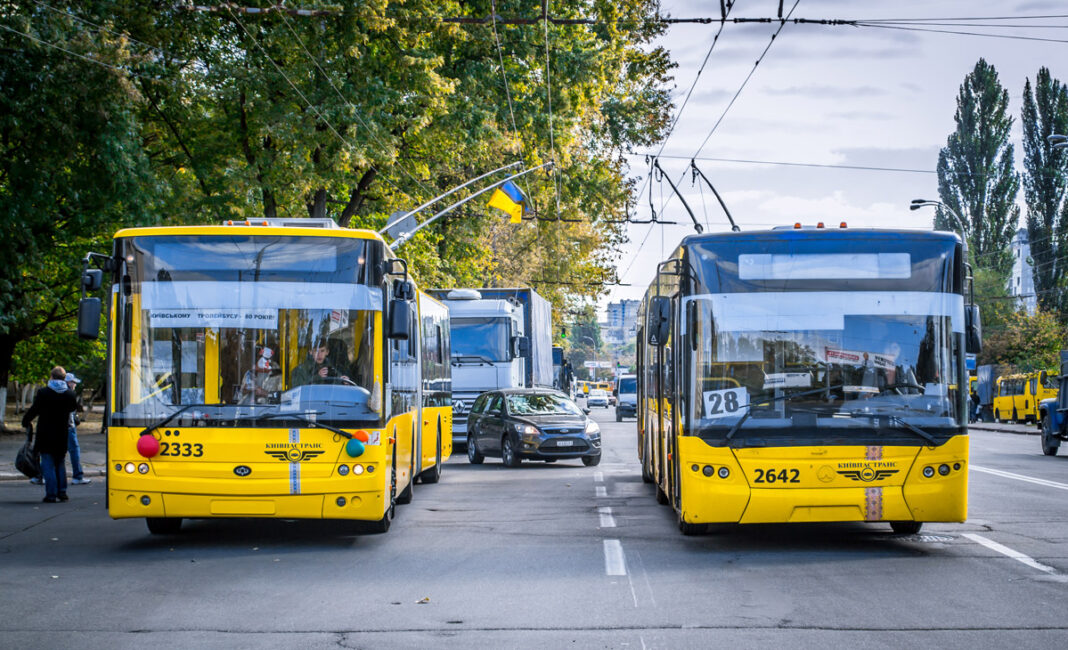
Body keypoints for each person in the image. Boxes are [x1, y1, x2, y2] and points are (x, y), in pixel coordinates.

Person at [22, 366, 79, 503]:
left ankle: (51, 494)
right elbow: (72, 408)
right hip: (61, 434)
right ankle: (62, 492)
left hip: (45, 434)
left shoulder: (44, 393)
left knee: (47, 463)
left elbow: (34, 409)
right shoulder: (70, 394)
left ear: (51, 377)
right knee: (60, 463)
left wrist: (26, 421)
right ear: (64, 378)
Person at [65, 372, 91, 485]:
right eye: (73, 382)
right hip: (69, 427)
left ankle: (44, 475)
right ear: (68, 382)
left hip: (60, 427)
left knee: (54, 453)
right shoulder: (69, 393)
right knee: (74, 450)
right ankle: (77, 476)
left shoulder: (57, 391)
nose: (75, 384)